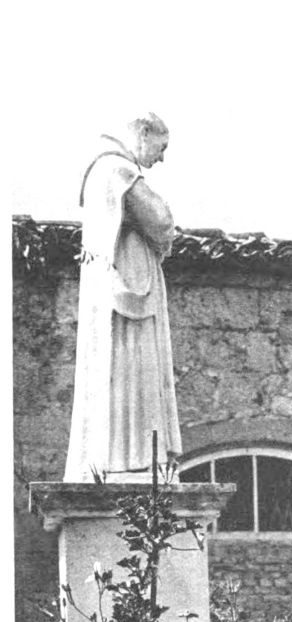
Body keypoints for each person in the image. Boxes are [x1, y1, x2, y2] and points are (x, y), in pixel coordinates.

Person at [64, 112, 182, 482]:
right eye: (161, 147)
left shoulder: (101, 171)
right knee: (133, 370)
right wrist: (164, 235)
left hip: (115, 289)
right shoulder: (118, 170)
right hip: (128, 293)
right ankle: (133, 460)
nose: (161, 158)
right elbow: (161, 220)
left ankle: (122, 458)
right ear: (143, 133)